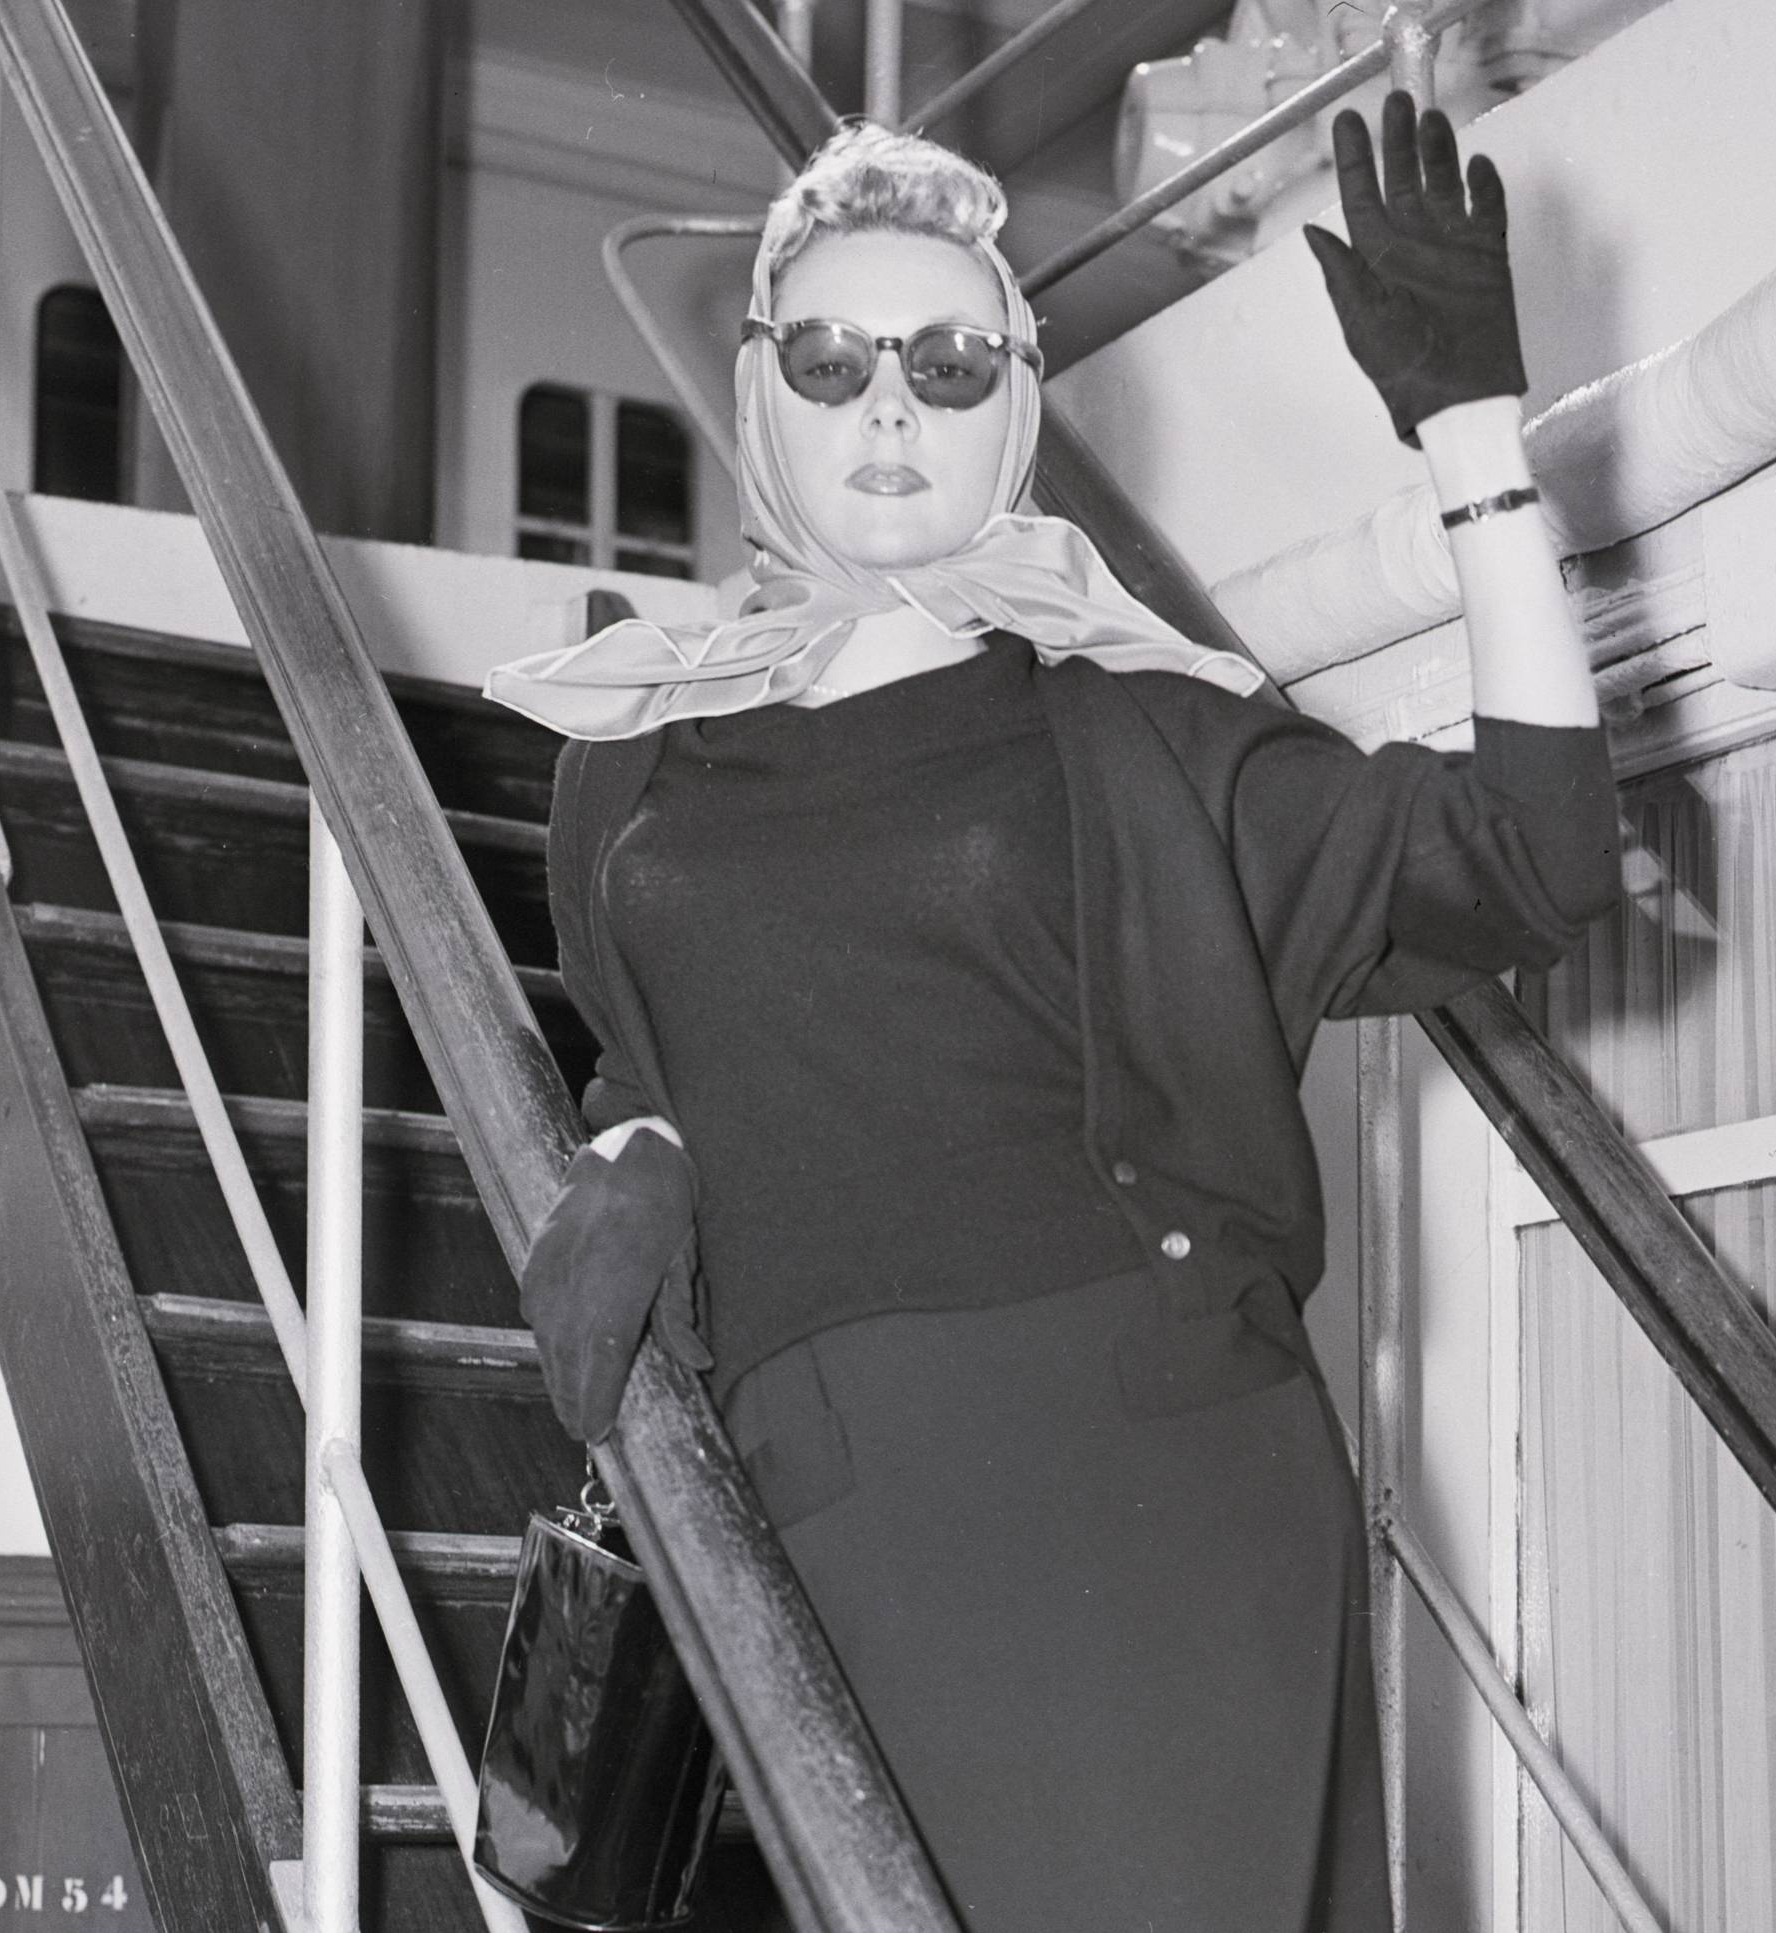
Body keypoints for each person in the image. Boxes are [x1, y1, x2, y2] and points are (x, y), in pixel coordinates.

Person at [487, 93, 1618, 1933]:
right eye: (836, 356)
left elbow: (1533, 855)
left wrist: (1472, 434)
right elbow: (668, 1038)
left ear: (1013, 398)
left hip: (1140, 1482)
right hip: (818, 1494)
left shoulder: (1138, 736)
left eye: (946, 362)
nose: (885, 407)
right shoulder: (626, 774)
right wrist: (640, 1141)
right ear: (762, 385)